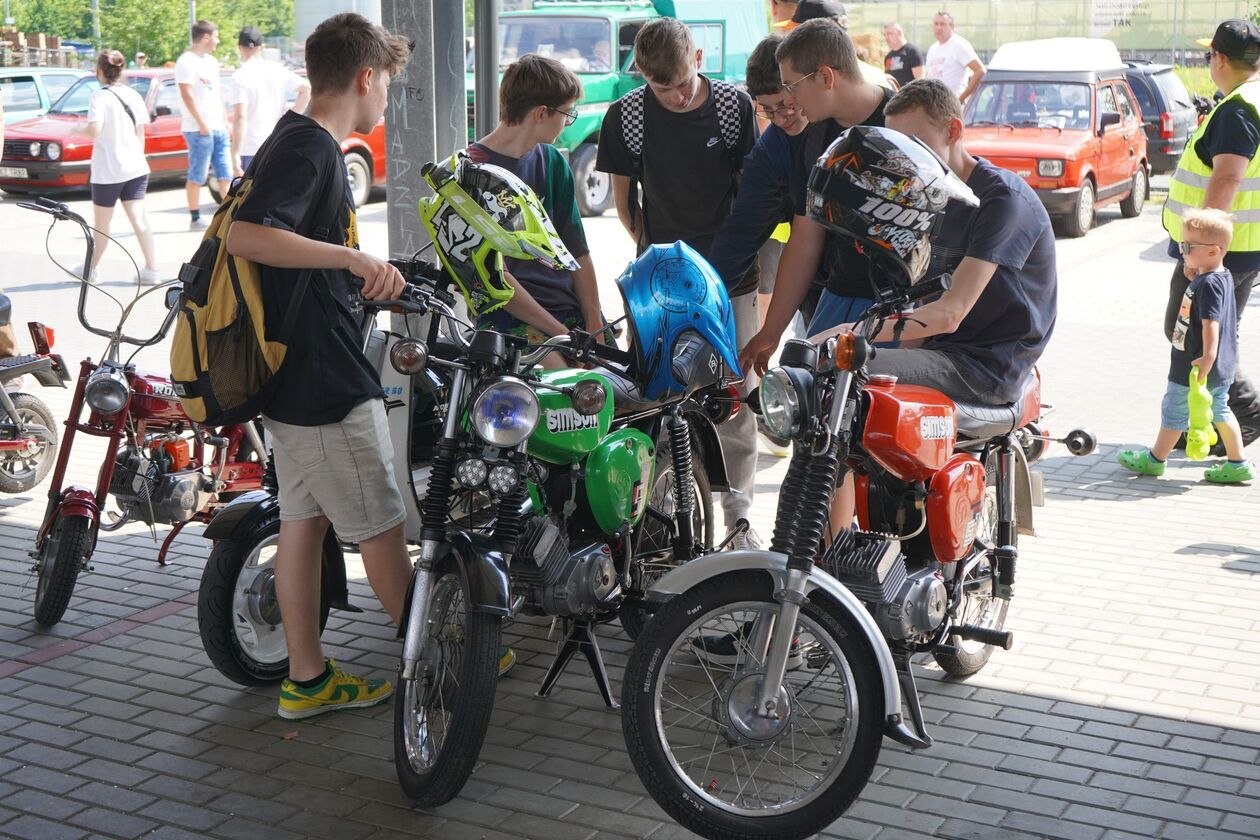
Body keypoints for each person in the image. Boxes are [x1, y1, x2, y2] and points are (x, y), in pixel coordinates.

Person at [224, 12, 414, 720]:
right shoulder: (313, 147)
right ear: (366, 77)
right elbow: (248, 235)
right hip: (323, 377)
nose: (388, 98)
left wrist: (355, 269)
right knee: (383, 528)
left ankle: (307, 678)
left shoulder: (292, 136)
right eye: (387, 83)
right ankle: (443, 653)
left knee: (303, 525)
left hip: (289, 375)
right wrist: (351, 257)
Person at [595, 17, 761, 547]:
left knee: (736, 393)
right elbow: (625, 205)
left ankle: (738, 517)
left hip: (730, 276)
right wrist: (656, 257)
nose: (678, 95)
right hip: (660, 284)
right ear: (642, 76)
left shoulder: (734, 109)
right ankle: (657, 504)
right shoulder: (627, 116)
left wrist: (725, 263)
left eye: (685, 83)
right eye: (663, 89)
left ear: (700, 58)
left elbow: (748, 193)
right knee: (654, 393)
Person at [740, 19, 893, 375]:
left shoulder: (902, 121)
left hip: (898, 307)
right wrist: (771, 331)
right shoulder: (815, 140)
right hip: (839, 292)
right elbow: (806, 236)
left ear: (826, 77)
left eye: (792, 86)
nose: (790, 100)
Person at [468, 54, 604, 367]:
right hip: (507, 316)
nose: (568, 121)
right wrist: (562, 336)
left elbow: (577, 252)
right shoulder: (471, 173)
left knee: (624, 388)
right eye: (567, 114)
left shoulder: (553, 162)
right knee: (566, 386)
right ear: (541, 113)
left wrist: (594, 322)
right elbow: (495, 278)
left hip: (567, 311)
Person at [1163, 18, 1260, 449]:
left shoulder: (1239, 109)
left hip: (1218, 251)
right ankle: (1198, 423)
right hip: (1237, 247)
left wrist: (1202, 250)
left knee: (1193, 333)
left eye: (1209, 56)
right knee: (1207, 333)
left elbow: (1226, 179)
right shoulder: (1249, 100)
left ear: (1219, 58)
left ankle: (1243, 413)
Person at [1119, 209, 1254, 482]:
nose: (1183, 250)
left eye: (1188, 246)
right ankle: (1238, 462)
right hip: (1212, 365)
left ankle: (1156, 459)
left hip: (1193, 366)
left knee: (1175, 409)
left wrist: (1207, 357)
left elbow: (1211, 324)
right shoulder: (1219, 276)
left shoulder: (1209, 285)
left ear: (1214, 251)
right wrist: (1195, 280)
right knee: (1219, 409)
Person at [72, 49, 158, 285]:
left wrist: (77, 129)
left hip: (107, 170)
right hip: (136, 168)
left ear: (100, 71)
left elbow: (95, 130)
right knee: (139, 219)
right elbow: (140, 132)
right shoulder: (133, 95)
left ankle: (93, 269)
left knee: (102, 223)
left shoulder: (98, 97)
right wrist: (136, 157)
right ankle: (152, 269)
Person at [230, 26, 311, 176]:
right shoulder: (276, 69)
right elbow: (306, 89)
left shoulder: (239, 77)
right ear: (261, 47)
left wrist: (235, 154)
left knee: (251, 197)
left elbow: (241, 117)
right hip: (275, 144)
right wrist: (290, 117)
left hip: (251, 148)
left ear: (240, 47)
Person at [177, 19, 230, 230]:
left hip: (218, 126)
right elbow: (186, 93)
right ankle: (195, 217)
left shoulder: (212, 62)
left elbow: (217, 93)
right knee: (197, 175)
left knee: (225, 173)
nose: (217, 40)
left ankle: (229, 216)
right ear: (206, 37)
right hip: (198, 129)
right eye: (215, 36)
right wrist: (202, 123)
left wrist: (224, 119)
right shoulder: (186, 61)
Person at [924, 11, 985, 103]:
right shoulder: (932, 48)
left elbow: (980, 70)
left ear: (952, 27)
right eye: (936, 24)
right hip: (934, 106)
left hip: (952, 106)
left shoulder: (959, 45)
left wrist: (961, 99)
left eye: (943, 24)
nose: (938, 27)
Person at [883, 22, 924, 87]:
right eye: (884, 35)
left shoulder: (912, 51)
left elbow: (920, 80)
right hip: (892, 95)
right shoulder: (888, 56)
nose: (886, 37)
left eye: (889, 34)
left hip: (908, 95)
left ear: (899, 33)